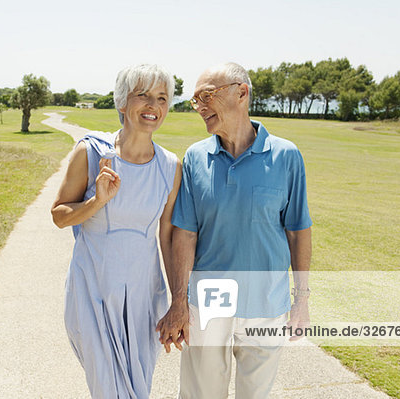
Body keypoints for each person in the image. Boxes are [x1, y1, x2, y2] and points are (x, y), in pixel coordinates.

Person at [156, 62, 312, 399]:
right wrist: (179, 302)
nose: (199, 107)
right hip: (207, 303)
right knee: (200, 394)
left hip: (267, 301)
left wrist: (301, 301)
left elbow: (298, 231)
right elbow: (185, 233)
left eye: (206, 96)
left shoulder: (287, 156)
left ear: (241, 93)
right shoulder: (196, 157)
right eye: (195, 100)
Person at [51, 64, 182, 399]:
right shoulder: (91, 152)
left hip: (144, 295)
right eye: (143, 95)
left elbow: (166, 237)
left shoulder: (170, 166)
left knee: (138, 387)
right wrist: (98, 200)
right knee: (109, 389)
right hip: (92, 288)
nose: (153, 106)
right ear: (123, 102)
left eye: (162, 98)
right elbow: (60, 215)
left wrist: (178, 301)